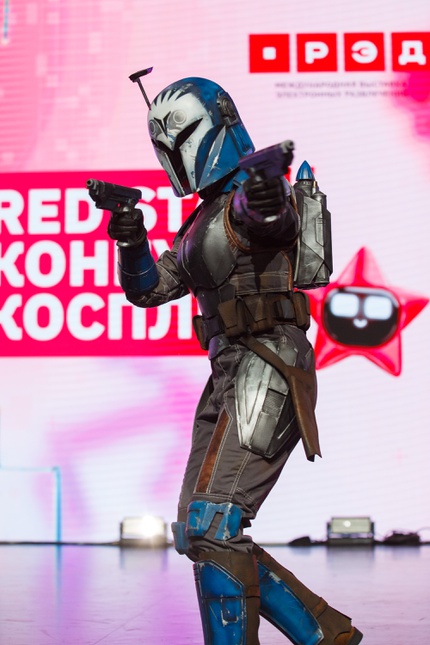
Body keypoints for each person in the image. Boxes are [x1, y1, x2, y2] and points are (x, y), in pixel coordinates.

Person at [107, 76, 363, 645]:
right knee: (199, 533)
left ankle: (325, 635)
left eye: (180, 138)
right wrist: (131, 237)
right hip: (228, 373)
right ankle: (327, 633)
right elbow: (148, 288)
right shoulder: (200, 221)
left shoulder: (251, 198)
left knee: (214, 524)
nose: (174, 153)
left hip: (268, 365)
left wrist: (266, 201)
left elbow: (272, 223)